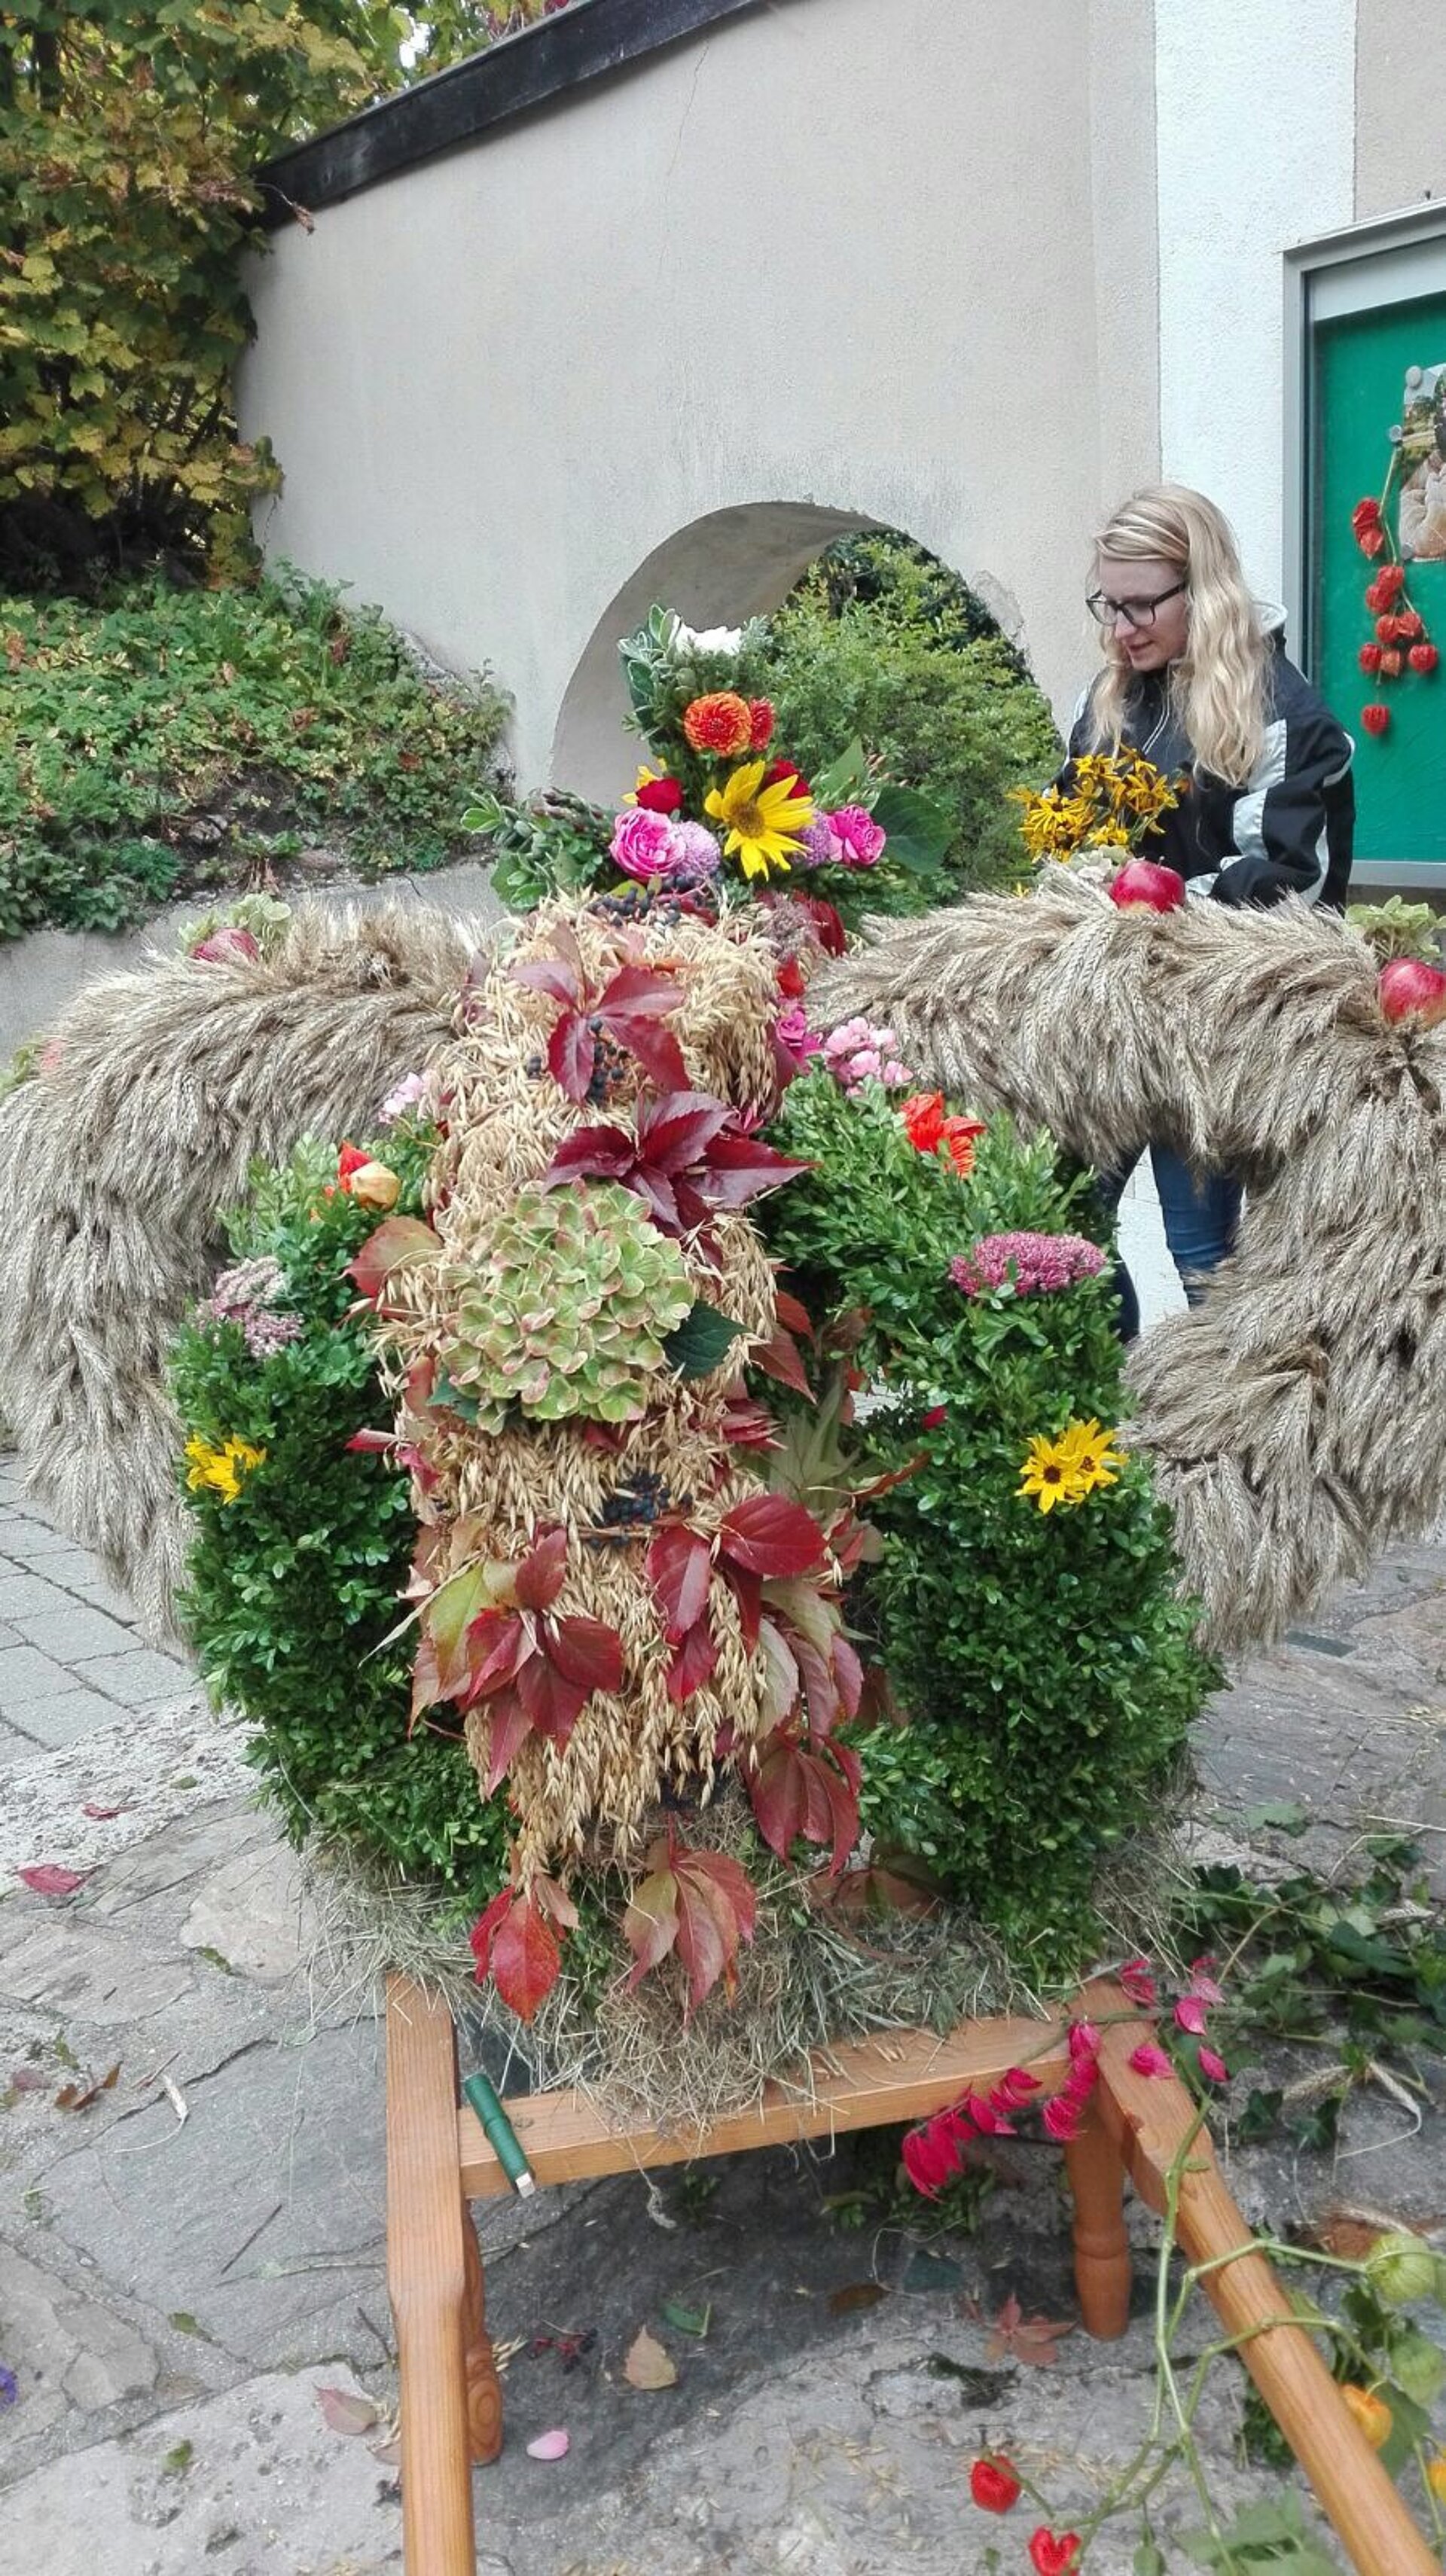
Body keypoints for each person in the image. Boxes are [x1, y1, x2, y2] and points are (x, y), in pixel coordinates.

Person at [1063, 483, 1355, 1335]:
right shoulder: (1111, 697)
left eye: (1142, 605)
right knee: (1061, 1226)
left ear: (1204, 589)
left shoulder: (1287, 718)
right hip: (1109, 1021)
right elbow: (1069, 829)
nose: (1122, 628)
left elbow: (1289, 886)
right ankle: (1103, 1403)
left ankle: (1210, 1415)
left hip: (1214, 1033)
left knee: (1201, 1257)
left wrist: (1143, 905)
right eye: (1108, 604)